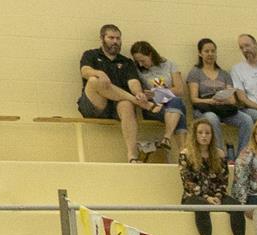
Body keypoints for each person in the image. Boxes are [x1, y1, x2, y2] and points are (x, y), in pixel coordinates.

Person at [77, 24, 149, 163]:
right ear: (102, 38)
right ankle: (135, 101)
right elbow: (85, 71)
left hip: (117, 106)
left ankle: (132, 156)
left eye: (118, 38)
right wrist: (99, 73)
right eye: (111, 38)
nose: (115, 41)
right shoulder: (90, 55)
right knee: (93, 80)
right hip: (95, 104)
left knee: (127, 104)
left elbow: (133, 81)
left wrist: (138, 93)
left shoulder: (126, 62)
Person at [179, 117, 251, 235]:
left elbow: (223, 180)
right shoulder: (186, 154)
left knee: (236, 207)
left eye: (207, 133)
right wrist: (206, 197)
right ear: (195, 135)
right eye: (200, 133)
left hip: (216, 194)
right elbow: (187, 182)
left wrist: (217, 196)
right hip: (193, 196)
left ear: (212, 135)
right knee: (202, 207)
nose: (204, 136)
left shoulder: (219, 154)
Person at [183, 39, 240, 152]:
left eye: (213, 51)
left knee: (246, 120)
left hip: (223, 107)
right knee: (212, 119)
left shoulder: (224, 74)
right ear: (200, 53)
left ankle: (243, 154)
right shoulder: (195, 72)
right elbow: (194, 99)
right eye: (206, 51)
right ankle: (219, 154)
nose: (210, 54)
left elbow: (232, 100)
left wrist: (223, 101)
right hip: (204, 108)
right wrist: (211, 101)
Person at [128, 42, 185, 153]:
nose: (140, 64)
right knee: (179, 112)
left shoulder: (169, 65)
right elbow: (138, 90)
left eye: (143, 60)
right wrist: (149, 95)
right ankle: (182, 150)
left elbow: (179, 89)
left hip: (170, 102)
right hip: (153, 107)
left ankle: (168, 138)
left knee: (176, 103)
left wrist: (158, 92)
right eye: (137, 61)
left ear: (150, 54)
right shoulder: (138, 70)